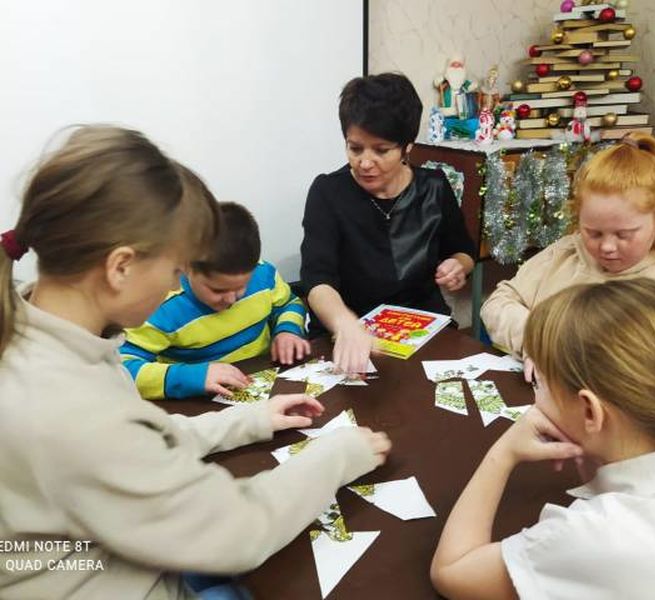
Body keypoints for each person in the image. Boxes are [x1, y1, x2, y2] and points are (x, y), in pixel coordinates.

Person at [0, 125, 391, 599]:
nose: (173, 286)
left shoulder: (43, 331)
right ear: (120, 266)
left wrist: (247, 420)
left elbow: (137, 445)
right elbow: (238, 531)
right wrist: (337, 455)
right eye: (174, 270)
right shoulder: (68, 406)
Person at [432, 278, 655, 599]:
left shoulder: (599, 535)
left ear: (589, 411)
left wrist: (502, 453)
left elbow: (453, 571)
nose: (534, 397)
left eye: (538, 384)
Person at [481, 132, 655, 361]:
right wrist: (539, 342)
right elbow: (498, 303)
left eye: (624, 234)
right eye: (593, 233)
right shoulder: (566, 253)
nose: (607, 247)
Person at [300, 72, 476, 373]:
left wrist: (459, 266)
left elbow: (462, 250)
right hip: (346, 333)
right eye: (355, 148)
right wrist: (346, 325)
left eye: (381, 150)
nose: (365, 163)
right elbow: (317, 281)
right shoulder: (328, 192)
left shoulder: (433, 186)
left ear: (407, 146)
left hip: (422, 328)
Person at [121, 201, 310, 400]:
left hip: (265, 382)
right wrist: (192, 377)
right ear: (186, 267)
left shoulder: (262, 275)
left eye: (240, 287)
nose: (231, 299)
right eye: (218, 289)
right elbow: (121, 369)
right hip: (198, 404)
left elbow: (288, 304)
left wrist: (287, 331)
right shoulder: (161, 306)